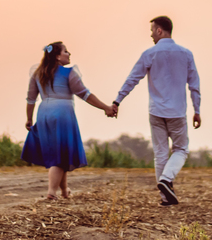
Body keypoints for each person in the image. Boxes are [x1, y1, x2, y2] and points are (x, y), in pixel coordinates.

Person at [111, 16, 201, 206]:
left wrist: (118, 100)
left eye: (152, 30)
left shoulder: (149, 54)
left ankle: (165, 196)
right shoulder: (186, 54)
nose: (151, 35)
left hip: (156, 111)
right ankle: (166, 180)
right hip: (177, 111)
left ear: (160, 30)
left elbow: (132, 79)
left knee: (160, 152)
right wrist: (197, 110)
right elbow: (194, 85)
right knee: (181, 149)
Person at [22, 41, 116, 200]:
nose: (69, 54)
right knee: (59, 155)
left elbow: (31, 99)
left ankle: (65, 191)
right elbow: (85, 94)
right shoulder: (69, 73)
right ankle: (51, 193)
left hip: (43, 113)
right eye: (66, 51)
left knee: (59, 153)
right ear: (58, 56)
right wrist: (106, 107)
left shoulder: (38, 74)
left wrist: (29, 118)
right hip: (62, 114)